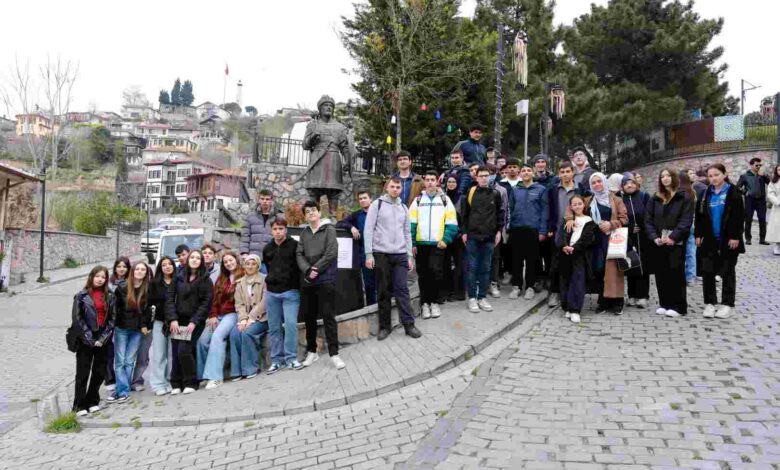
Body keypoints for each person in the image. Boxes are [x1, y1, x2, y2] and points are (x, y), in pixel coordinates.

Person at [364, 177, 422, 340]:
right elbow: (368, 229)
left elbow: (407, 233)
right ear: (387, 188)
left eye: (398, 187)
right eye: (393, 186)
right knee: (384, 290)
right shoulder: (377, 205)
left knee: (402, 289)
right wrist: (369, 254)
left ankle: (409, 325)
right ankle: (385, 327)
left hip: (400, 254)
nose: (395, 189)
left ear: (401, 189)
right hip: (381, 253)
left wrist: (409, 255)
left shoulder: (403, 207)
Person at [567, 173, 628, 315]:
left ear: (605, 182)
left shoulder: (616, 199)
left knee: (615, 270)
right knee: (599, 270)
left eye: (599, 181)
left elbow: (624, 218)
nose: (596, 184)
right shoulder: (589, 200)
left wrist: (611, 224)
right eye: (593, 183)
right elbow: (573, 206)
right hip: (595, 241)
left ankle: (617, 302)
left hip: (613, 239)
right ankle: (603, 301)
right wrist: (569, 218)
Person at [296, 200, 345, 369]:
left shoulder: (329, 229)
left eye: (313, 210)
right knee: (309, 317)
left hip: (326, 279)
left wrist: (316, 269)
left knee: (328, 316)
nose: (311, 213)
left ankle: (334, 354)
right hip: (309, 281)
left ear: (319, 212)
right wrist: (308, 270)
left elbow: (332, 252)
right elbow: (299, 254)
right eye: (307, 211)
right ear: (305, 216)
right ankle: (312, 352)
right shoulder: (304, 233)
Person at [695, 163, 745, 319]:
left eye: (716, 174)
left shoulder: (733, 192)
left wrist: (735, 236)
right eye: (710, 176)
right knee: (707, 271)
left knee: (728, 271)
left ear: (724, 174)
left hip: (728, 239)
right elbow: (700, 216)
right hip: (709, 238)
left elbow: (739, 216)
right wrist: (698, 234)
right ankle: (710, 304)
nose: (713, 178)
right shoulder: (705, 193)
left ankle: (727, 305)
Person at [645, 169, 694, 318]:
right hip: (659, 242)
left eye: (668, 175)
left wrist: (673, 237)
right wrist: (654, 237)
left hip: (675, 242)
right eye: (662, 176)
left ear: (674, 178)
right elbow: (648, 219)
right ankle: (664, 303)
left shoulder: (684, 197)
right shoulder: (655, 198)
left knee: (675, 273)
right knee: (661, 273)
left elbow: (686, 220)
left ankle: (678, 306)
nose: (665, 178)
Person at [410, 170, 458, 319]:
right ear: (424, 182)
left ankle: (434, 302)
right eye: (428, 179)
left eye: (433, 180)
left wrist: (445, 240)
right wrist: (412, 243)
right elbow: (411, 224)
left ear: (437, 181)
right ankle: (425, 303)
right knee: (423, 274)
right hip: (421, 244)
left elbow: (452, 223)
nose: (430, 182)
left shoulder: (445, 200)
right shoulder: (418, 200)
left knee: (436, 272)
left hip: (438, 244)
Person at [500, 160, 548, 301]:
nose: (526, 173)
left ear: (533, 173)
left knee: (532, 260)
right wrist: (509, 227)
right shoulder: (516, 190)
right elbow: (510, 209)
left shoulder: (540, 189)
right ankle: (517, 286)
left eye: (528, 170)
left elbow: (544, 211)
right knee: (516, 259)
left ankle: (530, 287)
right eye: (523, 171)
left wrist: (543, 231)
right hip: (517, 229)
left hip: (533, 229)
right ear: (520, 174)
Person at [71, 266, 115, 416]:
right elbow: (77, 319)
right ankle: (79, 405)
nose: (100, 279)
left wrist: (102, 338)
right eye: (97, 276)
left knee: (99, 372)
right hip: (85, 337)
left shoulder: (110, 296)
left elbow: (112, 319)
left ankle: (92, 401)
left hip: (103, 337)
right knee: (82, 373)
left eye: (103, 277)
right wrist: (90, 338)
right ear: (91, 277)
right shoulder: (81, 296)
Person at [166, 250, 212, 394]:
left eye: (198, 258)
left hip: (195, 322)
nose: (194, 260)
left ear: (201, 261)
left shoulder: (206, 280)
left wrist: (194, 322)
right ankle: (176, 383)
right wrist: (173, 319)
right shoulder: (178, 277)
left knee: (184, 350)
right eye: (192, 257)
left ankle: (191, 382)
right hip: (178, 320)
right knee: (176, 351)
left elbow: (206, 303)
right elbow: (169, 298)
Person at [197, 251, 243, 389]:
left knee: (217, 337)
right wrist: (212, 315)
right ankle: (203, 376)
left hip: (233, 314)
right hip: (218, 315)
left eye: (231, 260)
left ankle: (216, 377)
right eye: (226, 262)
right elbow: (214, 299)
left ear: (236, 260)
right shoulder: (221, 278)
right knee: (202, 340)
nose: (229, 263)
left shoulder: (243, 275)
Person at [462, 167, 505, 313]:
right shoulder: (471, 192)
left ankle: (482, 297)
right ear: (476, 177)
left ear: (490, 177)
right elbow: (465, 214)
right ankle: (472, 297)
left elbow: (500, 214)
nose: (484, 178)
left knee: (486, 268)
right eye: (481, 176)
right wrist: (464, 232)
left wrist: (499, 231)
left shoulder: (495, 193)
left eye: (486, 175)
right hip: (473, 236)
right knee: (472, 267)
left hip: (489, 236)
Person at [262, 217, 303, 372]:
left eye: (281, 229)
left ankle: (291, 358)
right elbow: (268, 268)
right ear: (271, 231)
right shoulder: (267, 248)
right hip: (272, 293)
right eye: (275, 229)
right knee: (274, 327)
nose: (278, 232)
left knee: (291, 325)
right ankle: (277, 360)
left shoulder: (295, 245)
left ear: (286, 230)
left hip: (291, 292)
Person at [110, 261, 151, 403]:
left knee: (129, 361)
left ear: (146, 273)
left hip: (137, 330)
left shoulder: (147, 289)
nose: (140, 271)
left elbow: (147, 311)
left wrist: (144, 324)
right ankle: (122, 391)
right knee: (120, 361)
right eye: (137, 269)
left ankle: (122, 390)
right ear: (132, 271)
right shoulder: (122, 287)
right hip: (122, 328)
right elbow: (115, 309)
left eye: (143, 270)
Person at [547, 162, 584, 307]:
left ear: (573, 172)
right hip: (558, 231)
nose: (565, 174)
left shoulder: (580, 189)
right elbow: (549, 209)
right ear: (559, 173)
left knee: (574, 264)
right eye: (562, 172)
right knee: (555, 264)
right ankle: (554, 293)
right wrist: (550, 227)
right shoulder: (553, 190)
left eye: (568, 171)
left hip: (576, 230)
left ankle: (571, 293)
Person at [556, 196, 597, 324]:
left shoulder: (589, 220)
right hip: (565, 253)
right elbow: (561, 235)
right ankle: (567, 307)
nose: (577, 206)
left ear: (584, 205)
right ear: (571, 206)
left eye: (580, 204)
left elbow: (587, 238)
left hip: (579, 254)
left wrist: (575, 248)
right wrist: (564, 246)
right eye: (574, 204)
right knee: (565, 281)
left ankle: (575, 310)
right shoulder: (567, 219)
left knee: (578, 281)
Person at [229, 254, 269, 380]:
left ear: (258, 266)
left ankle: (251, 368)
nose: (250, 266)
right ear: (244, 266)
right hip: (245, 319)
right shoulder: (240, 283)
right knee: (234, 334)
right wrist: (243, 319)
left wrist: (251, 317)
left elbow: (265, 301)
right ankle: (237, 371)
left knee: (247, 333)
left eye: (253, 264)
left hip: (263, 318)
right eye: (247, 264)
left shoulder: (265, 280)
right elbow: (239, 304)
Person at [336, 191, 376, 305]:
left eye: (365, 198)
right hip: (364, 254)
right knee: (369, 284)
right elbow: (339, 223)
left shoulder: (378, 213)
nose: (362, 200)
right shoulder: (357, 215)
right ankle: (371, 307)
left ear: (370, 199)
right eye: (360, 199)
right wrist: (351, 227)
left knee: (382, 281)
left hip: (379, 251)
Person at [620, 172, 651, 309]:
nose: (629, 185)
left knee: (643, 266)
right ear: (622, 186)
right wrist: (629, 227)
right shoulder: (620, 199)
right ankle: (631, 295)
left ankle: (643, 296)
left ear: (636, 184)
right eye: (626, 183)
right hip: (628, 237)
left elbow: (650, 215)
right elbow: (619, 217)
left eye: (632, 182)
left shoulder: (644, 196)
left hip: (643, 237)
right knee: (631, 264)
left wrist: (642, 227)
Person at [148, 256, 175, 396]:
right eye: (164, 265)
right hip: (159, 322)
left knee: (171, 353)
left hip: (175, 322)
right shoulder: (154, 283)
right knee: (159, 354)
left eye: (170, 264)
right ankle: (158, 384)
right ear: (160, 268)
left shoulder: (178, 281)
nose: (167, 267)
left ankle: (169, 381)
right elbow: (150, 303)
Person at [104, 257, 130, 392]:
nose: (121, 269)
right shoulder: (108, 283)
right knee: (109, 350)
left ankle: (124, 379)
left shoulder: (131, 282)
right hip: (108, 321)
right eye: (119, 266)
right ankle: (109, 378)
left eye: (124, 266)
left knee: (122, 352)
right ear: (115, 268)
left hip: (123, 321)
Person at [737, 157, 770, 245]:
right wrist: (745, 193)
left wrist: (764, 175)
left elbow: (770, 183)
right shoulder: (744, 176)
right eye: (756, 165)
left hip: (761, 200)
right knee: (748, 219)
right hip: (750, 200)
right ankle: (748, 239)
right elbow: (738, 187)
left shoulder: (761, 176)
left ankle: (762, 239)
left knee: (762, 219)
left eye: (760, 165)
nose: (758, 167)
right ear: (751, 165)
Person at [240, 189, 282, 258]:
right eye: (262, 199)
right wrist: (244, 253)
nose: (265, 201)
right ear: (259, 200)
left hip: (271, 258)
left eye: (267, 199)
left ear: (271, 201)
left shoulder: (277, 218)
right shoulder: (250, 217)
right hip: (253, 257)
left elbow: (281, 239)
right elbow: (245, 236)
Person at [443, 175, 465, 301]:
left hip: (458, 236)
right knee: (445, 264)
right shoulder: (443, 198)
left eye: (454, 182)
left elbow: (465, 216)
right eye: (449, 182)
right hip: (445, 236)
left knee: (459, 265)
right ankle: (447, 291)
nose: (451, 184)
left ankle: (459, 292)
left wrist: (463, 232)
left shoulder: (462, 198)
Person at [678, 171, 699, 287]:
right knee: (691, 251)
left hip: (681, 224)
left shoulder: (678, 193)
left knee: (679, 251)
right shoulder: (692, 192)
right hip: (692, 223)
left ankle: (682, 275)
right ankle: (690, 277)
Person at [767, 164, 780, 256]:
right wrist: (777, 202)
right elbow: (770, 194)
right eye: (779, 170)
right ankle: (777, 245)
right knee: (777, 227)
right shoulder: (774, 182)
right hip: (778, 208)